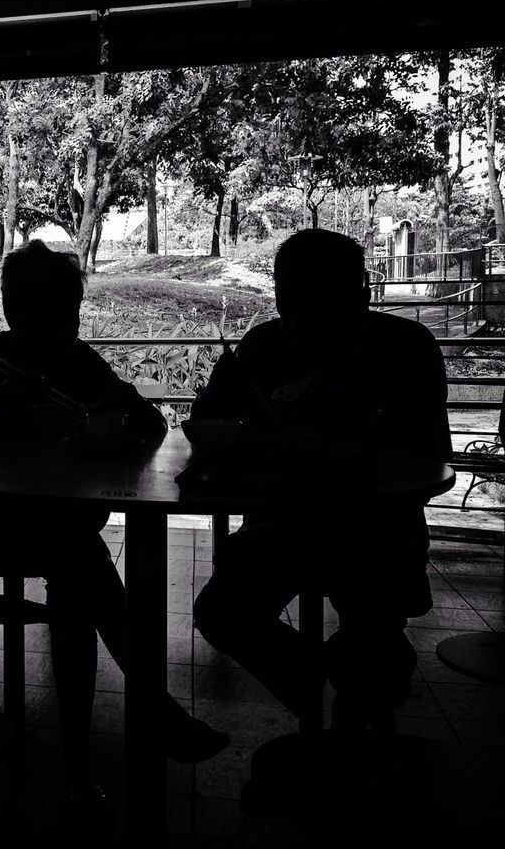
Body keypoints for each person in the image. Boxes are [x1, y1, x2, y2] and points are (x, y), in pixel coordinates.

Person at [0, 240, 228, 810]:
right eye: (49, 304)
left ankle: (81, 762)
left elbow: (150, 423)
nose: (62, 317)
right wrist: (2, 398)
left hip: (62, 527)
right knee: (80, 571)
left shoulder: (77, 362)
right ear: (17, 305)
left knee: (77, 581)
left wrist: (101, 409)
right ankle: (125, 731)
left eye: (66, 305)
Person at [191, 229, 452, 731]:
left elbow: (427, 454)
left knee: (358, 641)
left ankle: (340, 719)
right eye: (292, 301)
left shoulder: (403, 348)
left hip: (375, 530)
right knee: (227, 614)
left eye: (321, 302)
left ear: (361, 296)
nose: (304, 318)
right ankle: (341, 700)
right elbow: (211, 423)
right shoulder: (265, 344)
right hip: (291, 528)